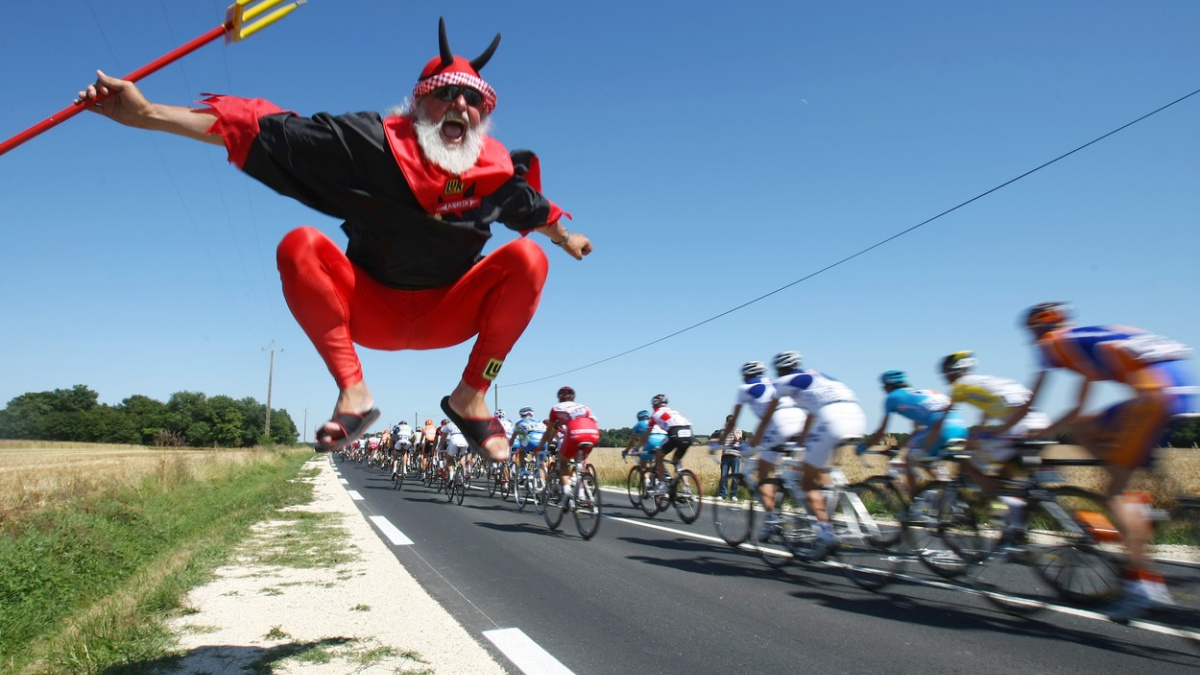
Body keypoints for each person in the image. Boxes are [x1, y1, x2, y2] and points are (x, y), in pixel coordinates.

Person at [76, 18, 593, 458]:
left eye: (473, 98)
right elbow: (265, 129)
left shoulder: (495, 172)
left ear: (483, 114)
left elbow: (536, 210)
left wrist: (565, 238)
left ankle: (471, 396)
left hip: (449, 313)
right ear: (418, 103)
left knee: (528, 259)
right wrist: (147, 114)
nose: (460, 103)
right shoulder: (370, 143)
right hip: (372, 309)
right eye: (445, 93)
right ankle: (353, 392)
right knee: (299, 244)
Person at [1017, 302, 1197, 621]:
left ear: (1037, 331)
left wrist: (1021, 431)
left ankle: (1143, 587)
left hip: (1154, 395)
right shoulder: (1085, 339)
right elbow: (1078, 410)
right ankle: (1139, 506)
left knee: (1114, 491)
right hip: (1183, 389)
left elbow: (1037, 398)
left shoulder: (1055, 343)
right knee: (1086, 427)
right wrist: (1045, 432)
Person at [767, 351, 867, 556]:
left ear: (779, 369)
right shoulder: (819, 376)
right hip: (857, 416)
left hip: (832, 420)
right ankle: (832, 498)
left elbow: (770, 413)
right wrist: (803, 440)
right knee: (822, 469)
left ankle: (825, 532)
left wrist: (759, 441)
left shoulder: (784, 381)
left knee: (806, 481)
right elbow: (811, 414)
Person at [927, 351, 1050, 491]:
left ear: (953, 371)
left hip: (1020, 428)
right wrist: (981, 431)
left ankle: (996, 498)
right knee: (1005, 472)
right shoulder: (986, 381)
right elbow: (986, 410)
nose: (945, 378)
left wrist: (929, 447)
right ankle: (1016, 500)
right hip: (1042, 424)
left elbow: (942, 420)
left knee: (967, 465)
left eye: (945, 373)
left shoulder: (959, 388)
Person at [717, 361, 807, 538]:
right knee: (792, 467)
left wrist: (719, 442)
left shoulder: (745, 388)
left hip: (779, 424)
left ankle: (772, 520)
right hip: (800, 420)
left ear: (745, 376)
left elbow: (734, 420)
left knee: (763, 474)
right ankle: (797, 494)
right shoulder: (774, 383)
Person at [862, 370, 968, 498]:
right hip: (961, 428)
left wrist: (863, 447)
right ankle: (946, 493)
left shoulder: (892, 397)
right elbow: (918, 430)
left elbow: (881, 431)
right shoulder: (920, 393)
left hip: (940, 429)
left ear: (887, 386)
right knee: (925, 460)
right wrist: (898, 446)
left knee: (909, 459)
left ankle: (914, 501)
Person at [536, 387, 600, 501]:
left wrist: (540, 447)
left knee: (563, 461)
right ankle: (581, 493)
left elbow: (548, 434)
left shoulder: (556, 409)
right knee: (580, 461)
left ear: (559, 398)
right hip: (593, 433)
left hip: (573, 434)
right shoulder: (584, 406)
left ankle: (566, 491)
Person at [637, 394, 695, 495]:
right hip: (689, 433)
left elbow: (646, 435)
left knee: (658, 456)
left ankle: (663, 485)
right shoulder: (674, 411)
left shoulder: (655, 414)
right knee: (677, 460)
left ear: (655, 404)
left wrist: (637, 448)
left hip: (675, 432)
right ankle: (686, 486)